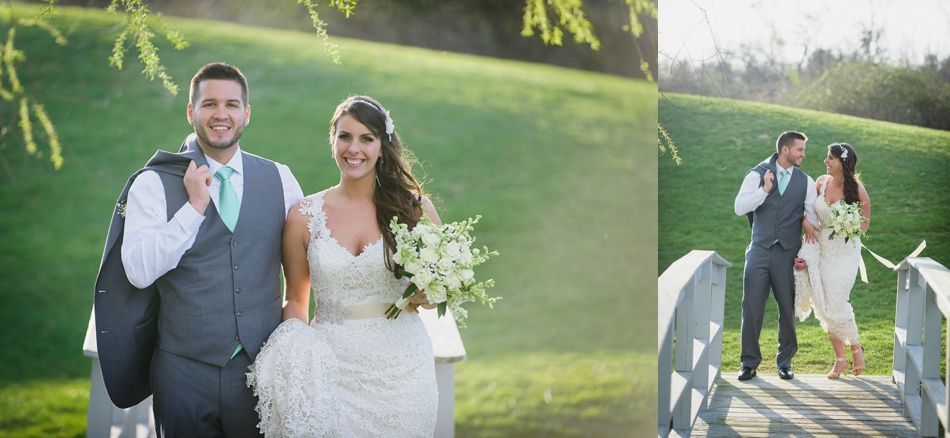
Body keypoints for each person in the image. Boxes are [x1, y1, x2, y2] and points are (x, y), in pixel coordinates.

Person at [93, 62, 303, 436]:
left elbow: (308, 262)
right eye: (209, 104)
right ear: (191, 112)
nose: (221, 114)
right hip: (183, 375)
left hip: (261, 370)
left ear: (246, 113)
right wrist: (193, 209)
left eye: (231, 104)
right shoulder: (153, 183)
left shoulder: (281, 179)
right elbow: (138, 271)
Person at [246, 95, 439, 436]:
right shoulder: (304, 217)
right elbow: (296, 300)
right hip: (332, 369)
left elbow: (436, 290)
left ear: (382, 147)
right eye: (345, 136)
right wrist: (295, 352)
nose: (354, 149)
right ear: (332, 141)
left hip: (404, 372)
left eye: (367, 138)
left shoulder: (414, 211)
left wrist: (427, 294)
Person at [733, 131, 819, 381]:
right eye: (800, 150)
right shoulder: (756, 174)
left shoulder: (805, 182)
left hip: (788, 253)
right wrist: (764, 190)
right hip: (759, 251)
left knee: (787, 308)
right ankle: (748, 363)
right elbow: (739, 207)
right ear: (785, 150)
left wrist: (805, 251)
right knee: (751, 307)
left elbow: (812, 221)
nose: (803, 154)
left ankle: (785, 362)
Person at [793, 143, 871, 379]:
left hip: (845, 253)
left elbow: (865, 223)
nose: (825, 161)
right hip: (822, 250)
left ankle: (855, 348)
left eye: (830, 158)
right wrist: (805, 224)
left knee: (837, 300)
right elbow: (804, 210)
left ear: (843, 162)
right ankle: (840, 360)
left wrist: (847, 224)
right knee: (823, 302)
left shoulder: (857, 190)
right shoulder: (820, 183)